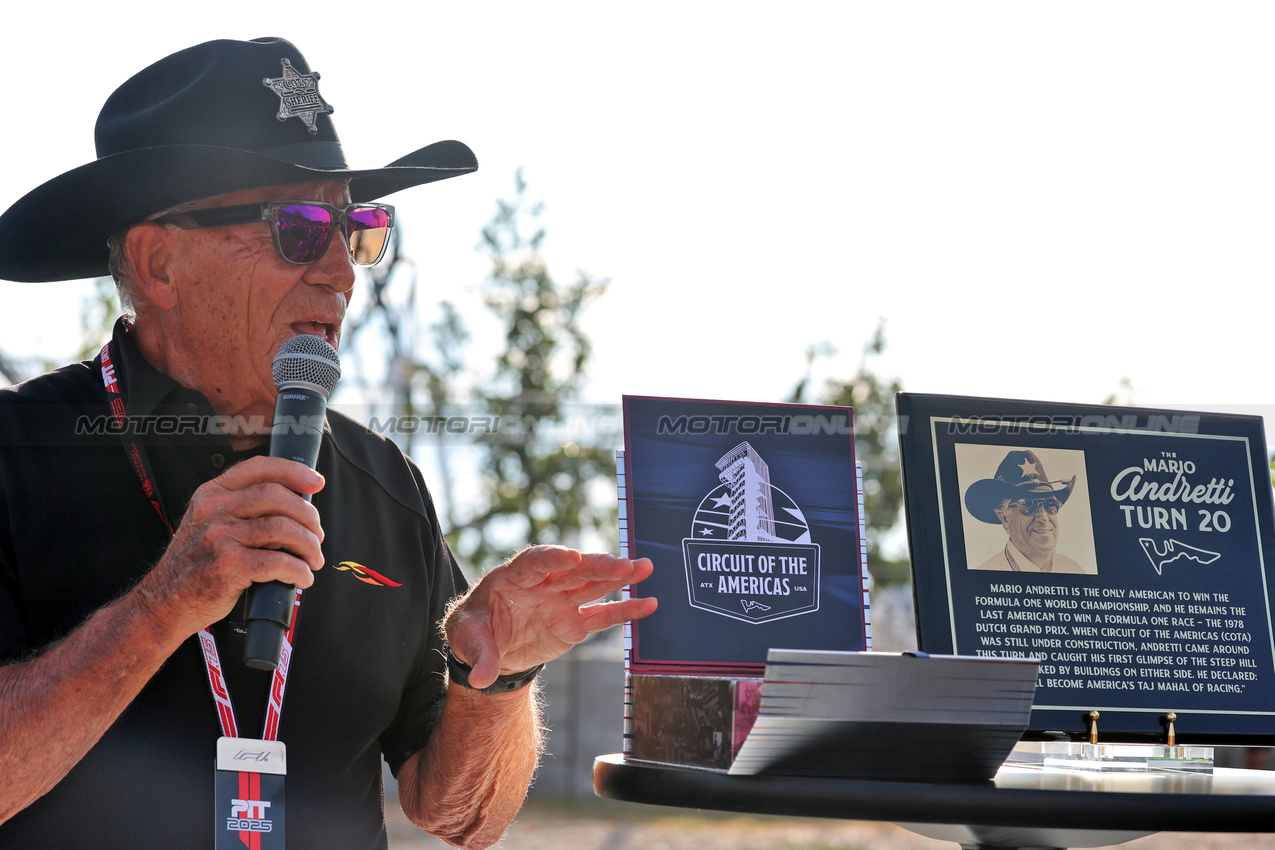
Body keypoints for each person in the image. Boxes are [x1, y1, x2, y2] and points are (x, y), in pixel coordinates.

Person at [0, 37, 656, 849]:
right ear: (160, 262)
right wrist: (162, 606)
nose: (343, 272)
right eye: (300, 228)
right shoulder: (16, 458)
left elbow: (458, 816)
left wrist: (498, 674)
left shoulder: (383, 483)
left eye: (358, 225)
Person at [964, 449, 1086, 574]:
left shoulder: (1075, 570)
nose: (1043, 517)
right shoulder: (986, 575)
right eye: (1028, 505)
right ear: (1004, 519)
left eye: (1050, 504)